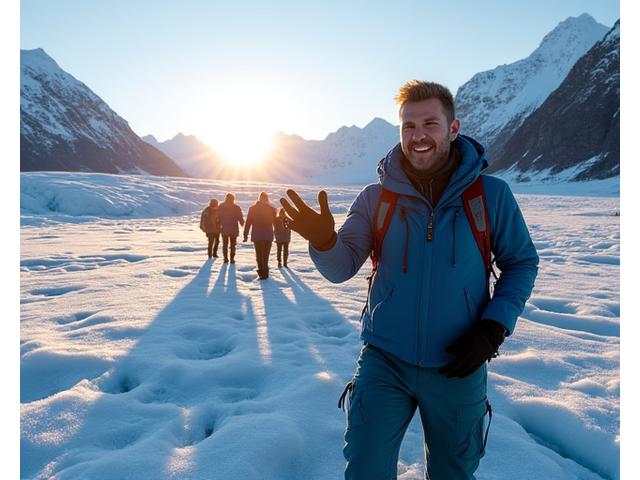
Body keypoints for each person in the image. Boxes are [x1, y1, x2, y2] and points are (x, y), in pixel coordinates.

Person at [280, 81, 538, 479]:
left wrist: (492, 327)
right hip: (385, 359)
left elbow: (521, 263)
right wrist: (325, 241)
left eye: (429, 124)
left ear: (453, 129)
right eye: (408, 126)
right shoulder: (375, 198)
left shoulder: (490, 197)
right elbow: (340, 267)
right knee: (366, 469)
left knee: (453, 473)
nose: (418, 136)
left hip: (460, 363)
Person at [243, 192, 277, 279]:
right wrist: (277, 235)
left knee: (259, 256)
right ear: (267, 199)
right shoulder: (272, 209)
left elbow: (248, 222)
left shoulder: (252, 208)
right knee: (265, 256)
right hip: (268, 235)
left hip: (257, 235)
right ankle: (265, 274)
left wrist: (245, 234)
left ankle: (262, 273)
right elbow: (275, 223)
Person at [217, 192, 244, 264]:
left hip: (224, 228)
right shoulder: (236, 207)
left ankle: (225, 258)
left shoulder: (221, 206)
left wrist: (218, 224)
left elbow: (218, 217)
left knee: (225, 244)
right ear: (233, 199)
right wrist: (242, 223)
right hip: (233, 229)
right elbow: (240, 217)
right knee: (233, 244)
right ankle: (232, 258)